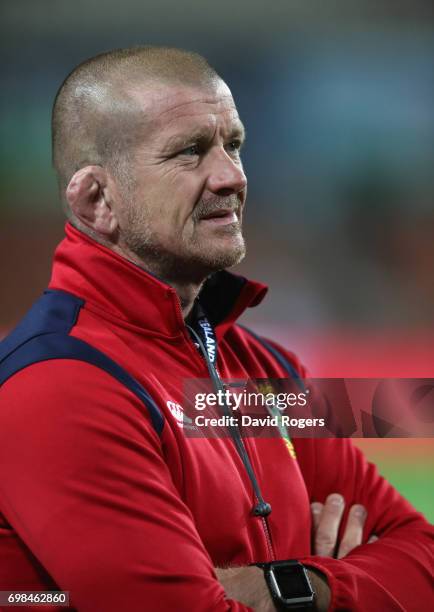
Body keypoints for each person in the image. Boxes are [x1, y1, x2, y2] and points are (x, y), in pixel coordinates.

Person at [0, 46, 432, 612]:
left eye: (234, 145)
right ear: (97, 200)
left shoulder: (269, 371)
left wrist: (300, 586)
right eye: (190, 152)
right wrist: (345, 579)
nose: (232, 176)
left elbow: (422, 556)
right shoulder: (59, 386)